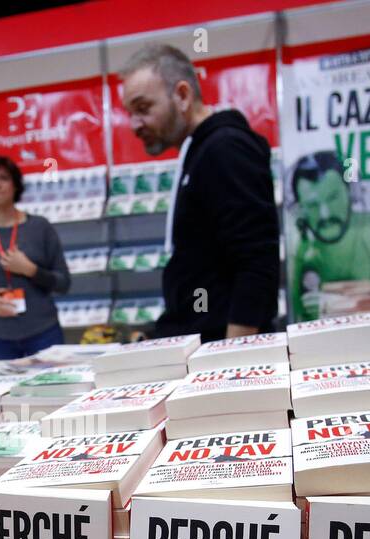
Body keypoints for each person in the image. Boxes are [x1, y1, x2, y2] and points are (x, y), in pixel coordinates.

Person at [120, 44, 279, 342]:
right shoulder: (200, 150)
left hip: (219, 350)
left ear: (182, 95)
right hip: (200, 343)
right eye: (130, 113)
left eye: (143, 109)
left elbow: (256, 259)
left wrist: (235, 356)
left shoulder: (224, 147)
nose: (134, 125)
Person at [288, 151, 370, 321]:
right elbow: (303, 316)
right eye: (312, 205)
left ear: (352, 192)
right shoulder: (303, 247)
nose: (325, 214)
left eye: (333, 197)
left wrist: (333, 303)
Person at [0, 153, 71, 360]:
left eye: (3, 178)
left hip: (43, 332)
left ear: (15, 185)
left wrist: (30, 270)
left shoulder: (40, 227)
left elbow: (63, 283)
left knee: (52, 390)